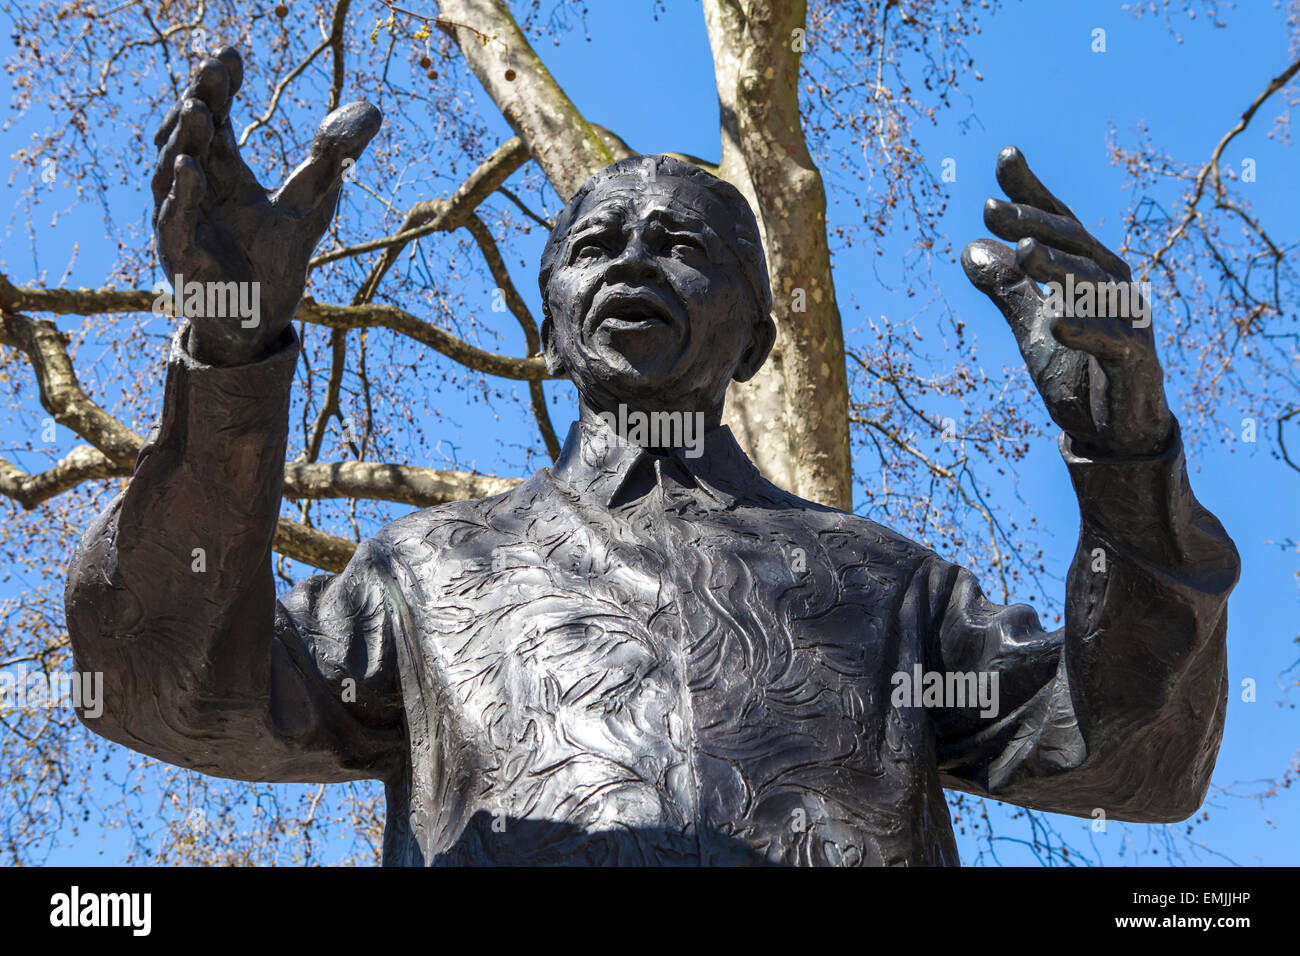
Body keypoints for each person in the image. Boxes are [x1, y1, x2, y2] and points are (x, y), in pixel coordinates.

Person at [65, 49, 1239, 866]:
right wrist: (230, 351)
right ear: (548, 324)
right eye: (594, 244)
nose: (632, 261)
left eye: (680, 245)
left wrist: (1125, 450)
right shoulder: (421, 577)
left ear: (759, 338)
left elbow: (1134, 754)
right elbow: (159, 685)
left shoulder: (889, 590)